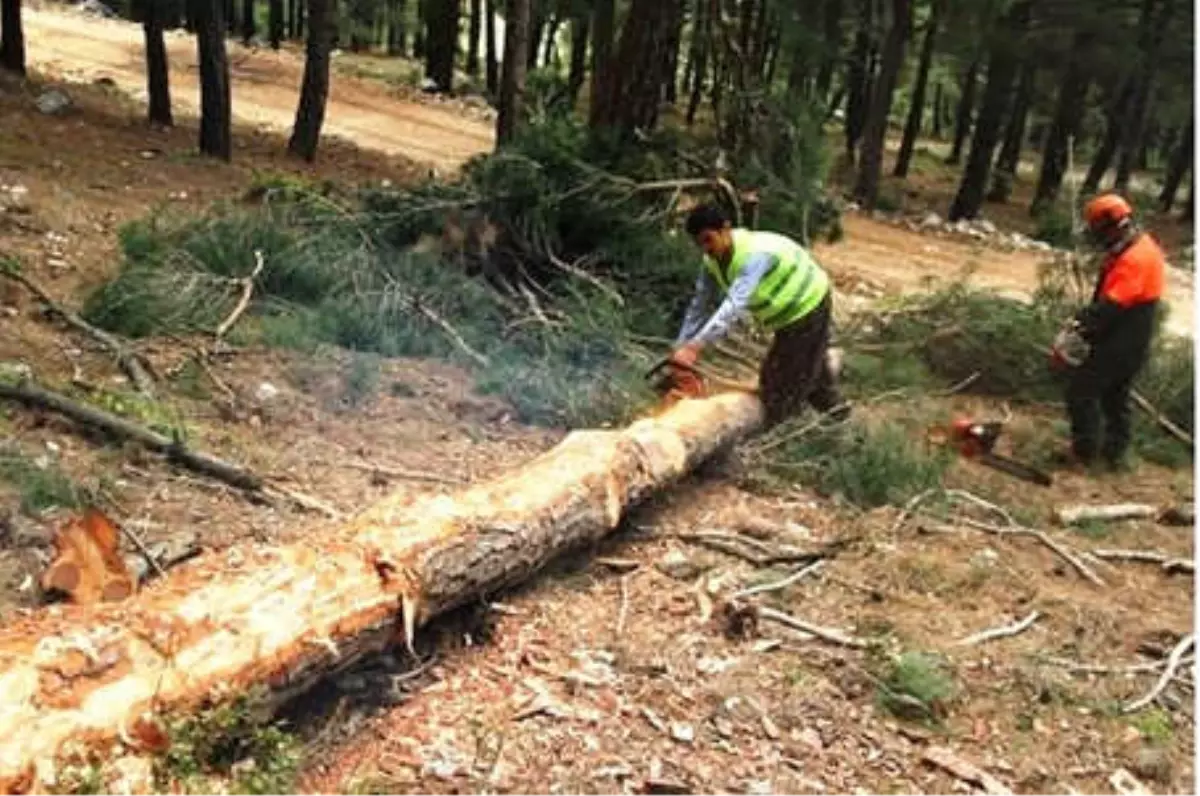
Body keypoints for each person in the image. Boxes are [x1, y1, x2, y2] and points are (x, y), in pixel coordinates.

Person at [669, 202, 848, 428]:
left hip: (807, 306)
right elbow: (700, 304)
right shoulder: (711, 262)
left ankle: (779, 434)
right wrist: (681, 345)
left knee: (777, 384)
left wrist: (694, 347)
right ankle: (840, 421)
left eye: (708, 239)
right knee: (809, 373)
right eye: (699, 244)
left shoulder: (755, 255)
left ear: (725, 229)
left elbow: (734, 305)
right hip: (787, 316)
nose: (705, 248)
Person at [1057, 192, 1165, 469]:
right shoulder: (1136, 245)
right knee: (1115, 397)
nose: (1095, 236)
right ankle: (1114, 455)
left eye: (1097, 229)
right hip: (1129, 335)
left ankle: (1084, 453)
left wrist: (1077, 327)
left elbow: (1112, 307)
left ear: (1111, 225)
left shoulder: (1135, 258)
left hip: (1122, 337)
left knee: (1081, 391)